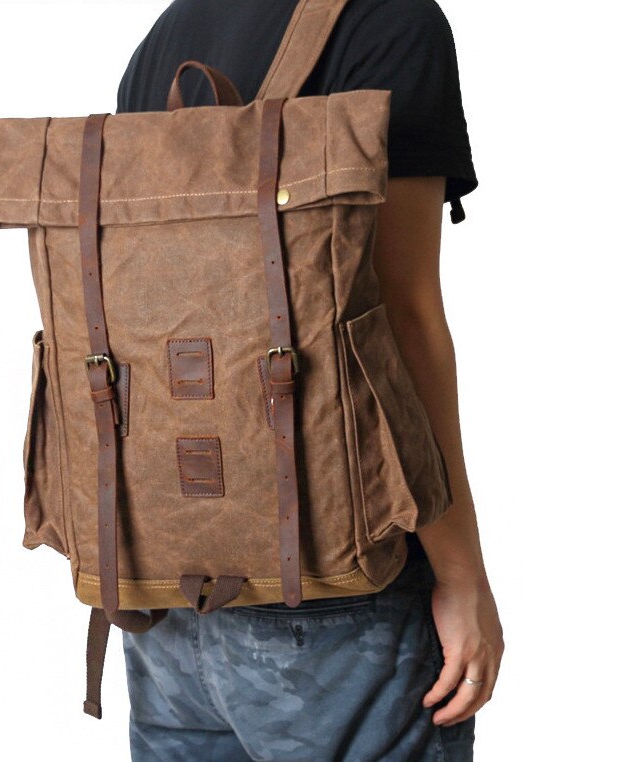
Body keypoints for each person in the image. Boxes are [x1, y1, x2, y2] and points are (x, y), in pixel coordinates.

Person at [116, 1, 504, 759]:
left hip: (163, 596)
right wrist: (461, 577)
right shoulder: (391, 24)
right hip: (337, 600)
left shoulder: (167, 35)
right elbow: (401, 323)